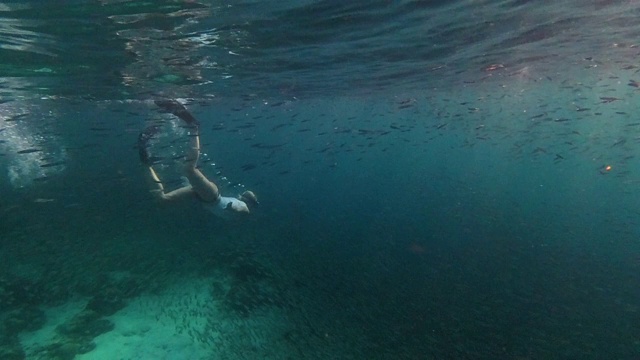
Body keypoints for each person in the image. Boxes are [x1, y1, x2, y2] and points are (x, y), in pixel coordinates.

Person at [138, 99, 258, 217]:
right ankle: (193, 126)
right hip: (212, 197)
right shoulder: (245, 207)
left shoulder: (239, 201)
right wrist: (232, 208)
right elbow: (240, 209)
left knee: (163, 199)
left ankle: (145, 161)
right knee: (189, 169)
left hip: (203, 197)